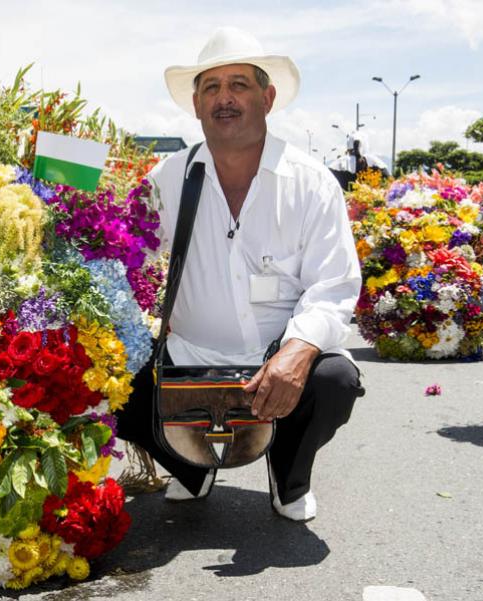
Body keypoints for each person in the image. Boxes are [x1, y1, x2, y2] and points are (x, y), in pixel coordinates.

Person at [116, 26, 364, 522]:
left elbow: (334, 284)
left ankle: (289, 473)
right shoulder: (169, 178)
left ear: (267, 98)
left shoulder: (310, 183)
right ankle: (187, 464)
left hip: (277, 362)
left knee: (334, 379)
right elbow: (122, 252)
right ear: (196, 103)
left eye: (238, 85)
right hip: (188, 358)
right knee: (104, 382)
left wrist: (297, 352)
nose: (224, 99)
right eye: (211, 87)